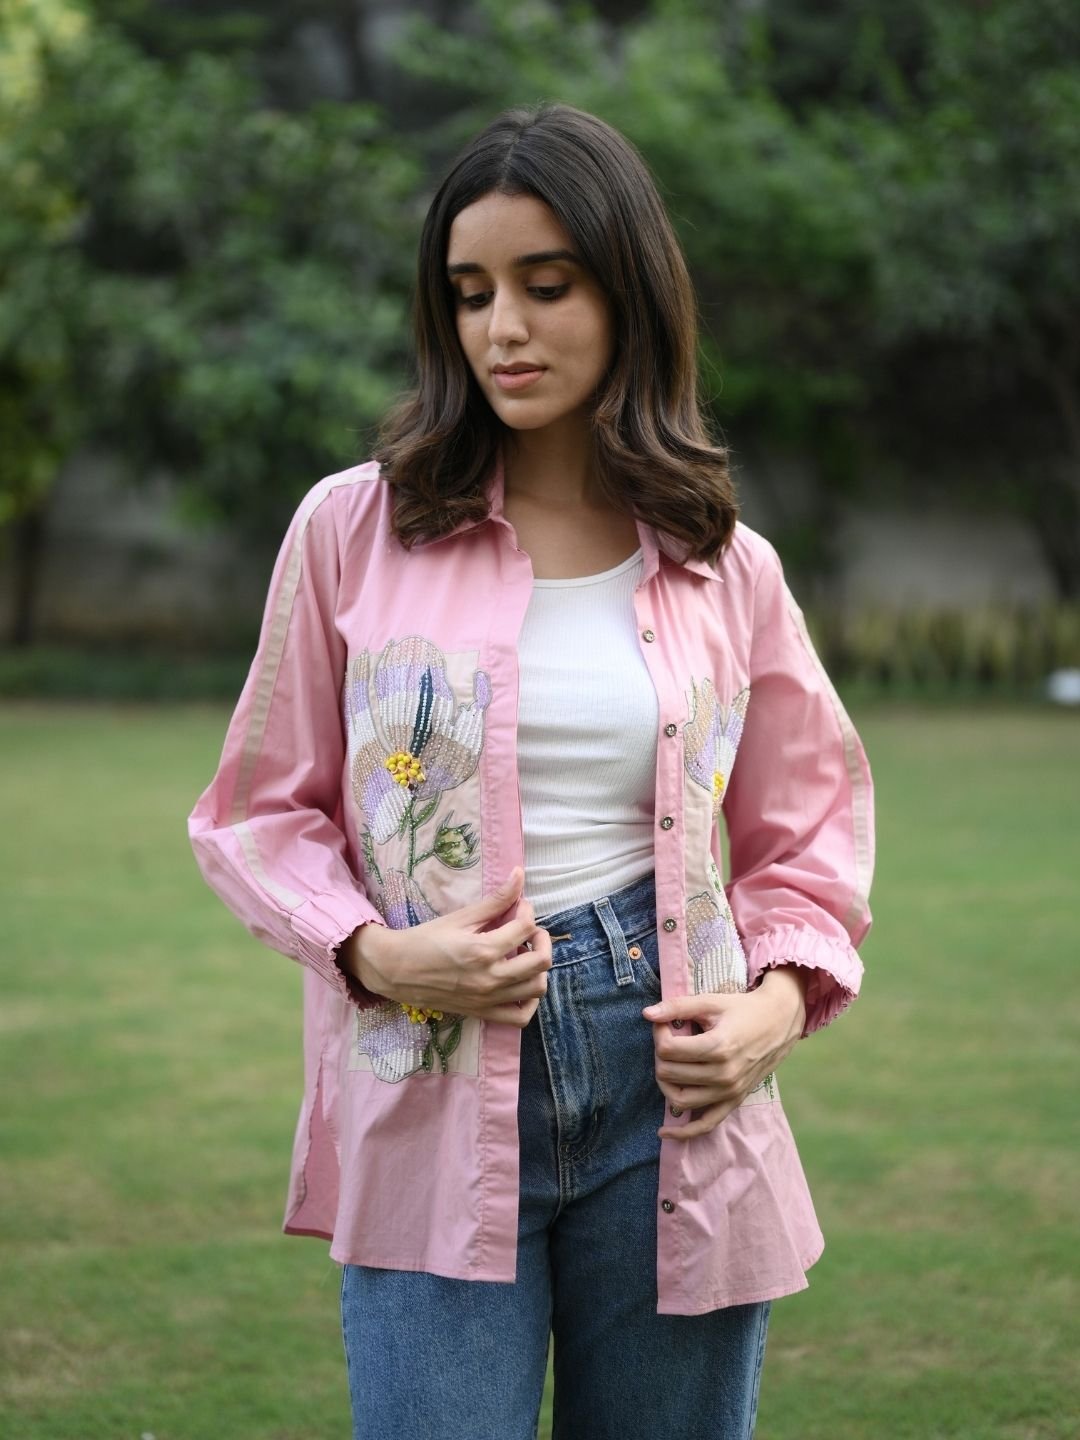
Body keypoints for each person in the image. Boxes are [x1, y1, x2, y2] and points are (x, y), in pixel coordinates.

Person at [188, 102, 874, 1440]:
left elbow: (811, 827)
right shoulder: (353, 528)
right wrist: (378, 955)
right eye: (471, 292)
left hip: (675, 1082)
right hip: (429, 1069)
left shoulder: (723, 564)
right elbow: (257, 812)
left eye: (546, 286)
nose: (502, 327)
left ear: (628, 292)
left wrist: (776, 1010)